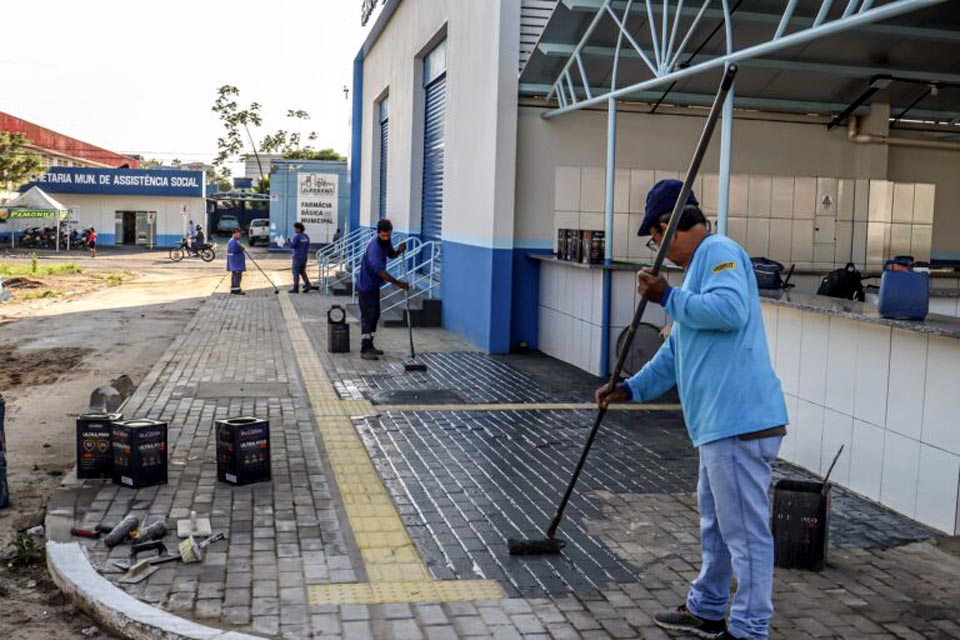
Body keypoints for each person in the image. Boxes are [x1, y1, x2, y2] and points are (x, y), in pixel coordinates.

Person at [595, 179, 787, 640]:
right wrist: (632, 388)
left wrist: (667, 297)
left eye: (655, 237)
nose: (656, 247)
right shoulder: (697, 272)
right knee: (717, 527)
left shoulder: (719, 251)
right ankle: (708, 607)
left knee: (744, 535)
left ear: (669, 226)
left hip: (738, 423)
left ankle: (750, 627)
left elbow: (731, 310)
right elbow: (678, 350)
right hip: (719, 427)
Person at [356, 219, 407, 360]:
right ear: (378, 233)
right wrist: (398, 283)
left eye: (388, 235)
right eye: (383, 235)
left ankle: (370, 344)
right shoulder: (374, 248)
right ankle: (364, 349)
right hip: (366, 286)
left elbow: (391, 254)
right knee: (368, 316)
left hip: (374, 285)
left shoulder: (386, 242)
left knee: (375, 314)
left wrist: (399, 251)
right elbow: (381, 271)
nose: (386, 238)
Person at [288, 222, 315, 293]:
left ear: (299, 229)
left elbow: (292, 246)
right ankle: (308, 285)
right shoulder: (306, 236)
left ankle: (295, 288)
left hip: (297, 257)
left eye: (295, 228)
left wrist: (288, 242)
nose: (294, 230)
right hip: (304, 257)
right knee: (302, 271)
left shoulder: (297, 237)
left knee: (295, 272)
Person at [226, 227, 246, 295]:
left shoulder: (235, 241)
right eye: (239, 234)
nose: (240, 235)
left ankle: (234, 289)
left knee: (235, 276)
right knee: (237, 276)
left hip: (236, 263)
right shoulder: (233, 242)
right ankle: (236, 290)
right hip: (236, 262)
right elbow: (234, 251)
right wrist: (241, 248)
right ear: (235, 233)